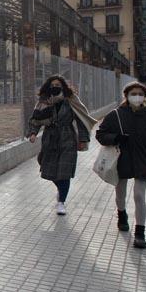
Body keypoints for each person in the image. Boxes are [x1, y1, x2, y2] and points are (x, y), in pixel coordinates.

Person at [95, 81, 146, 249]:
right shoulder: (115, 115)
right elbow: (100, 134)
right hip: (121, 160)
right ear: (126, 96)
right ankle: (122, 214)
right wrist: (116, 138)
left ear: (145, 96)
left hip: (143, 160)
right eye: (133, 93)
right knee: (121, 193)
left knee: (139, 195)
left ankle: (140, 233)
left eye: (140, 93)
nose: (137, 96)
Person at [27, 75, 98, 215]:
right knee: (49, 170)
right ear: (48, 86)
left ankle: (61, 202)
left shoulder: (71, 99)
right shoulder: (43, 101)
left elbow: (81, 119)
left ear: (63, 86)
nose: (55, 86)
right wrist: (33, 133)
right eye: (52, 84)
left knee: (64, 172)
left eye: (58, 84)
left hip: (68, 138)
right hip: (50, 139)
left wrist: (83, 139)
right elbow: (36, 119)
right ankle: (61, 190)